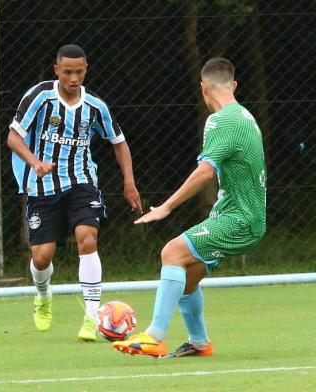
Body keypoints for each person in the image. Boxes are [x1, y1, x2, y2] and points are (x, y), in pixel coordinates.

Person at [113, 57, 267, 357]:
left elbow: (205, 171)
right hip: (244, 217)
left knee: (171, 252)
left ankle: (155, 336)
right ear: (233, 85)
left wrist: (166, 207)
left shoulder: (221, 121)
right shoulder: (245, 116)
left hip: (240, 219)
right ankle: (199, 343)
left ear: (202, 88)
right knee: (186, 277)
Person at [7, 44, 142, 341]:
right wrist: (35, 163)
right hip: (42, 186)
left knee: (87, 238)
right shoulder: (40, 97)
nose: (73, 78)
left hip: (82, 181)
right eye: (67, 72)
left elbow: (118, 142)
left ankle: (92, 316)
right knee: (42, 257)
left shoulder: (95, 106)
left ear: (86, 69)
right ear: (56, 70)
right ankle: (43, 294)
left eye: (79, 72)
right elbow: (13, 137)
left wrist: (128, 181)